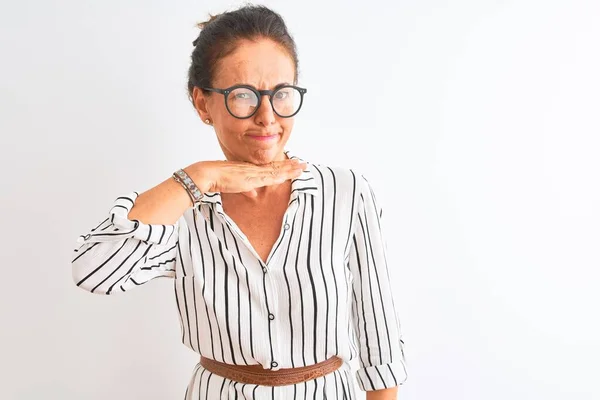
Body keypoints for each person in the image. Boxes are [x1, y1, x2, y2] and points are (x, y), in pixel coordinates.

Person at [71, 4, 407, 399]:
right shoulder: (183, 210)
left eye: (282, 94)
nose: (268, 116)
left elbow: (378, 337)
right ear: (202, 104)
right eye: (243, 95)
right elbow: (94, 272)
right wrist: (198, 178)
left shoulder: (347, 193)